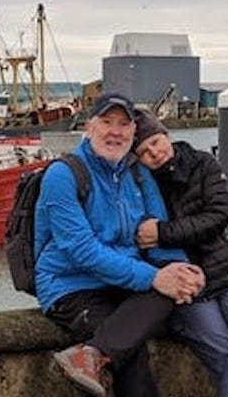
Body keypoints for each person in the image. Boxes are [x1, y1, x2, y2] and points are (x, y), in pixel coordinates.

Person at [36, 93, 206, 397]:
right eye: (107, 122)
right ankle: (93, 354)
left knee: (167, 290)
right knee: (132, 354)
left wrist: (182, 269)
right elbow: (82, 251)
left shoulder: (138, 174)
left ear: (132, 132)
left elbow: (158, 231)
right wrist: (154, 277)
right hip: (71, 285)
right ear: (90, 127)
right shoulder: (62, 175)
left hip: (121, 280)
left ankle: (89, 355)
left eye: (123, 124)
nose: (115, 131)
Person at [132, 108, 228, 397]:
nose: (155, 153)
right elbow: (137, 235)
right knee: (223, 353)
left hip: (227, 274)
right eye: (145, 151)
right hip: (183, 284)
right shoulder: (139, 186)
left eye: (156, 143)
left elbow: (218, 217)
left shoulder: (203, 164)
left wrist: (162, 232)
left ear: (166, 135)